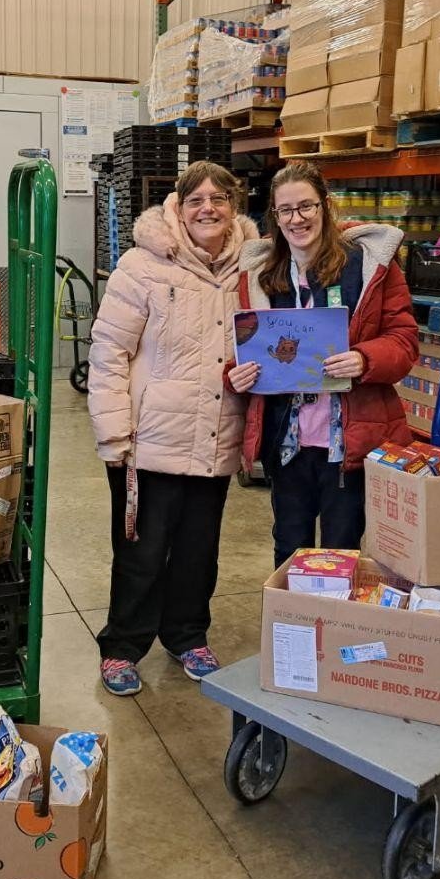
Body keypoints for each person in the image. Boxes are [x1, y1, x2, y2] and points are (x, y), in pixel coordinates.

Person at [87, 161, 258, 697]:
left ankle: (187, 635)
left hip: (215, 434)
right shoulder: (142, 267)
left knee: (198, 548)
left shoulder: (251, 270)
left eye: (219, 198)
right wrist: (113, 433)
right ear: (178, 209)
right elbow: (109, 351)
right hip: (149, 440)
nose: (208, 208)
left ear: (235, 206)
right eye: (195, 200)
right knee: (142, 550)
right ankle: (122, 645)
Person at [230, 160, 419, 567]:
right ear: (275, 217)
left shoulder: (369, 268)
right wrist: (235, 373)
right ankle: (293, 628)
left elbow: (404, 344)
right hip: (288, 441)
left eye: (306, 207)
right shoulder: (260, 275)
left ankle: (335, 629)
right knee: (289, 548)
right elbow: (240, 348)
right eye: (286, 210)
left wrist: (364, 358)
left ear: (325, 206)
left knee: (342, 551)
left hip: (348, 441)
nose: (297, 219)